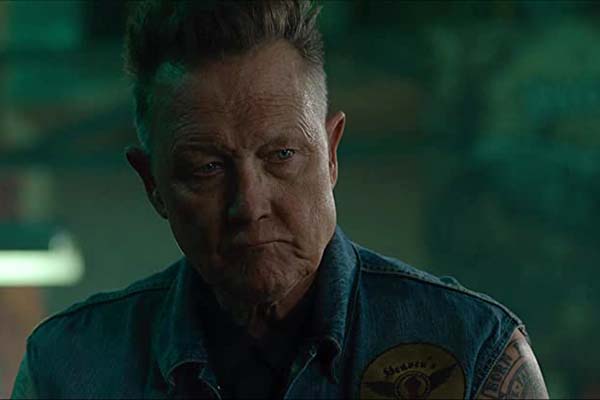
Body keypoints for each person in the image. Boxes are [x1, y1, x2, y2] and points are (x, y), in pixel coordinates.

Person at [11, 1, 549, 398]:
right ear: (152, 183)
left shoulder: (470, 350)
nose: (250, 204)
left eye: (282, 155)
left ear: (331, 153)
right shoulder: (70, 368)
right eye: (207, 168)